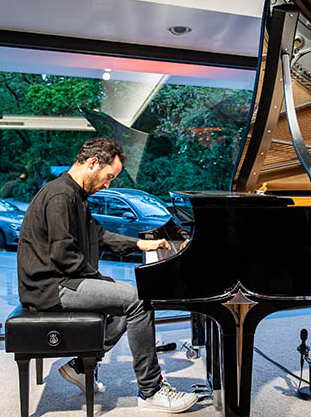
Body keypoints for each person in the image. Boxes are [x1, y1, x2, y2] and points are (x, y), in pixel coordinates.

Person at [17, 138, 198, 413]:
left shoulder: (74, 195)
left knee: (128, 299)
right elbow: (64, 256)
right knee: (138, 299)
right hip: (50, 287)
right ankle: (151, 390)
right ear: (92, 164)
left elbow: (99, 235)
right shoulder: (60, 196)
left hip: (59, 280)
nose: (108, 184)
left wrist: (140, 244)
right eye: (108, 176)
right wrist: (102, 281)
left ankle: (80, 366)